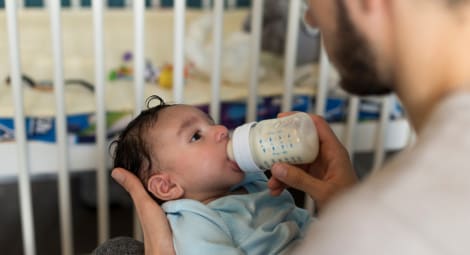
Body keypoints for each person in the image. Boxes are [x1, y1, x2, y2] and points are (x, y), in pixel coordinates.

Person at [100, 0, 470, 254]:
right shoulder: (199, 219)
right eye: (196, 135)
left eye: (314, 2)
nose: (310, 19)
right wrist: (342, 205)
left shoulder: (377, 227)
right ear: (167, 185)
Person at [107, 95, 314, 254]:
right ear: (167, 186)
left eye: (212, 123)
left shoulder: (254, 180)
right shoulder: (194, 222)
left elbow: (301, 220)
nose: (222, 129)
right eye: (196, 136)